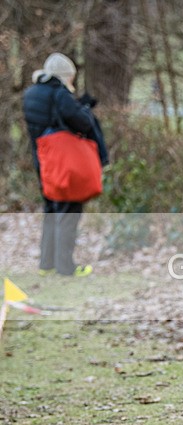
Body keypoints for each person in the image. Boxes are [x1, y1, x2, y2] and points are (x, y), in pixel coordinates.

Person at [23, 52, 108, 277]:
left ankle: (46, 264)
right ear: (63, 76)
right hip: (64, 163)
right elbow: (82, 121)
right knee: (69, 212)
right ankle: (65, 266)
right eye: (70, 77)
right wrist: (84, 108)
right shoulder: (59, 94)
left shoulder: (31, 93)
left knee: (51, 210)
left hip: (44, 162)